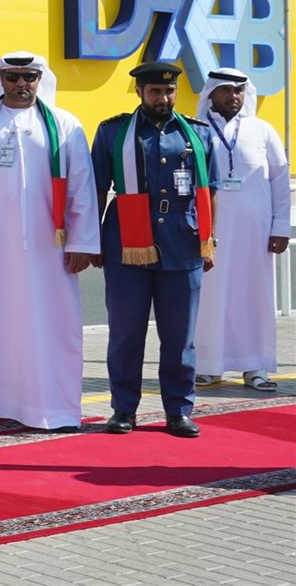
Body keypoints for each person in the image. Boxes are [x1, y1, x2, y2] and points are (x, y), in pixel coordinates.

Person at [0, 52, 99, 430]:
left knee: (53, 324)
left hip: (50, 249)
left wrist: (83, 242)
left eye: (29, 77)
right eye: (13, 77)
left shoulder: (64, 124)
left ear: (40, 79)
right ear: (0, 80)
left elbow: (82, 188)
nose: (21, 84)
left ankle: (52, 408)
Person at [92, 61, 219, 438]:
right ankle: (123, 409)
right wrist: (93, 240)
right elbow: (97, 189)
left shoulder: (195, 134)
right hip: (126, 245)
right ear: (139, 93)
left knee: (180, 338)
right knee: (126, 333)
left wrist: (209, 241)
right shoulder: (113, 132)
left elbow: (209, 191)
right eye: (155, 92)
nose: (163, 98)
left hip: (183, 243)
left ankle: (178, 410)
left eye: (169, 92)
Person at [193, 68, 290, 392]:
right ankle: (208, 366)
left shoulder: (262, 130)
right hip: (209, 233)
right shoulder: (197, 130)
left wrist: (281, 228)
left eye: (239, 90)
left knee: (255, 297)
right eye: (226, 91)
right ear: (211, 94)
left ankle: (255, 367)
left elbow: (279, 180)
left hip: (255, 233)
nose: (234, 97)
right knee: (209, 298)